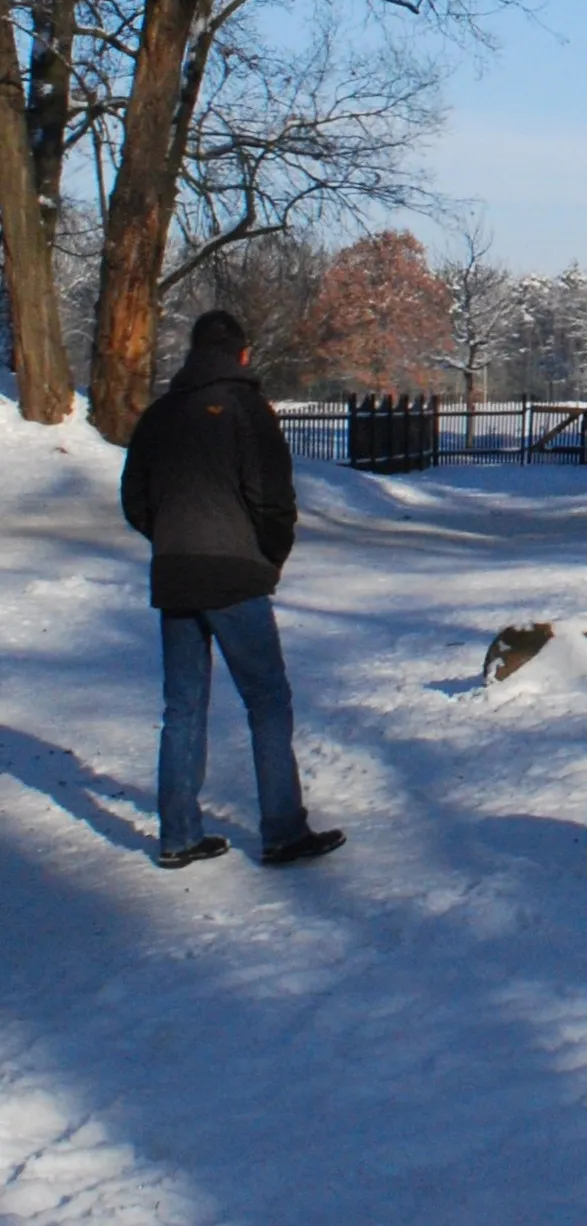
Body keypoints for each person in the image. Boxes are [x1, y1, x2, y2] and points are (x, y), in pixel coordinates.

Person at [121, 309, 344, 869]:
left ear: (193, 352)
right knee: (267, 701)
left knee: (183, 707)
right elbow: (273, 498)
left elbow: (134, 499)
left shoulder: (160, 414)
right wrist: (267, 557)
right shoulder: (249, 411)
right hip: (235, 572)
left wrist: (169, 539)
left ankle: (177, 836)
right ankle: (283, 830)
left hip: (175, 572)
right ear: (243, 354)